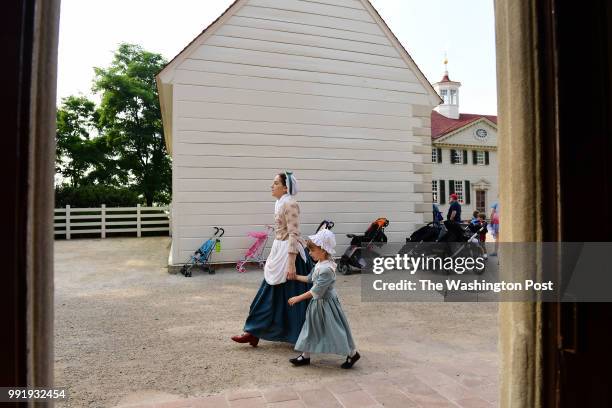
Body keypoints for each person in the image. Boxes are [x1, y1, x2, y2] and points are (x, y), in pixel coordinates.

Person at [231, 172, 314, 347]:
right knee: (268, 294)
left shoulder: (290, 203)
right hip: (279, 250)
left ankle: (300, 337)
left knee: (291, 297)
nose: (272, 186)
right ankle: (253, 331)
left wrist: (291, 263)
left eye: (275, 183)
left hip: (291, 256)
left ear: (285, 187)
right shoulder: (279, 203)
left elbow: (294, 233)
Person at [287, 229, 360, 369]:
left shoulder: (327, 269)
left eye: (312, 250)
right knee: (310, 328)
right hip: (317, 304)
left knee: (334, 330)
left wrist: (298, 298)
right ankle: (305, 356)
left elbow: (316, 291)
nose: (310, 253)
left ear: (323, 250)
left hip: (326, 305)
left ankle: (352, 353)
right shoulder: (319, 264)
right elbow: (310, 278)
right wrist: (295, 277)